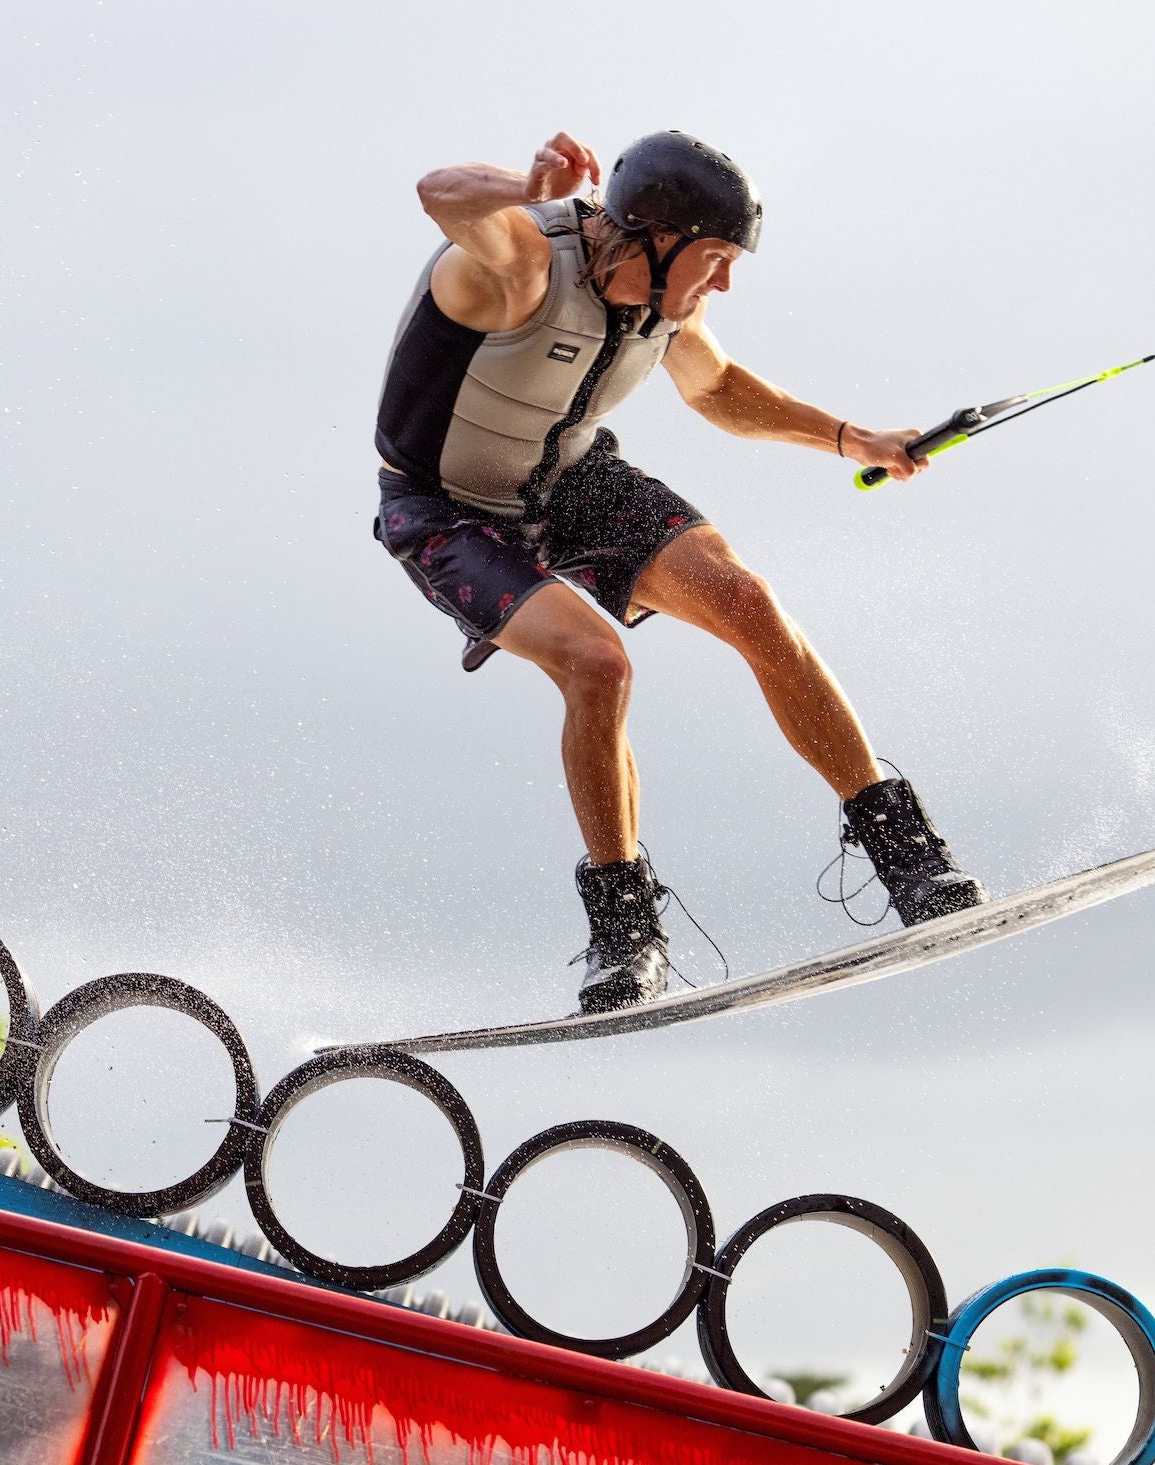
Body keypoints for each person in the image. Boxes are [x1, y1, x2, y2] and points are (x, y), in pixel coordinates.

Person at [374, 129, 986, 1014]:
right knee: (598, 662)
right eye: (716, 258)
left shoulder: (671, 305)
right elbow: (436, 190)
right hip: (447, 511)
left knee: (748, 602)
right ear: (653, 237)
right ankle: (624, 933)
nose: (726, 281)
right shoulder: (521, 263)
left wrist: (857, 440)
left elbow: (719, 389)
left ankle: (907, 855)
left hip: (572, 480)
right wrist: (524, 183)